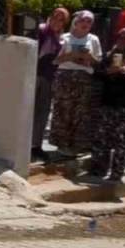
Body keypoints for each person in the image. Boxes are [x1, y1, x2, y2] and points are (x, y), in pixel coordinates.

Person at [88, 29, 125, 181]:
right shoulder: (109, 55)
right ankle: (98, 169)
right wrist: (109, 71)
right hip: (108, 104)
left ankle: (116, 173)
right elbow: (97, 75)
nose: (123, 39)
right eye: (120, 36)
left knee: (122, 142)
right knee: (102, 138)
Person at [48, 10, 102, 156]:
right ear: (76, 22)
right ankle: (61, 144)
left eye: (89, 22)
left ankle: (77, 145)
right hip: (65, 77)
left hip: (84, 79)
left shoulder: (94, 40)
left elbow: (99, 62)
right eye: (83, 20)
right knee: (63, 110)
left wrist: (88, 56)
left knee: (81, 112)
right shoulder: (65, 37)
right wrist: (71, 56)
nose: (86, 24)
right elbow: (55, 60)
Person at [32, 7, 68, 161]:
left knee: (43, 112)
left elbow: (56, 60)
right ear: (50, 16)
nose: (57, 21)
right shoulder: (40, 30)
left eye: (61, 19)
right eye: (55, 16)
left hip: (48, 77)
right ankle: (23, 144)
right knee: (30, 111)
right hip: (33, 75)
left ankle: (36, 146)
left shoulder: (61, 38)